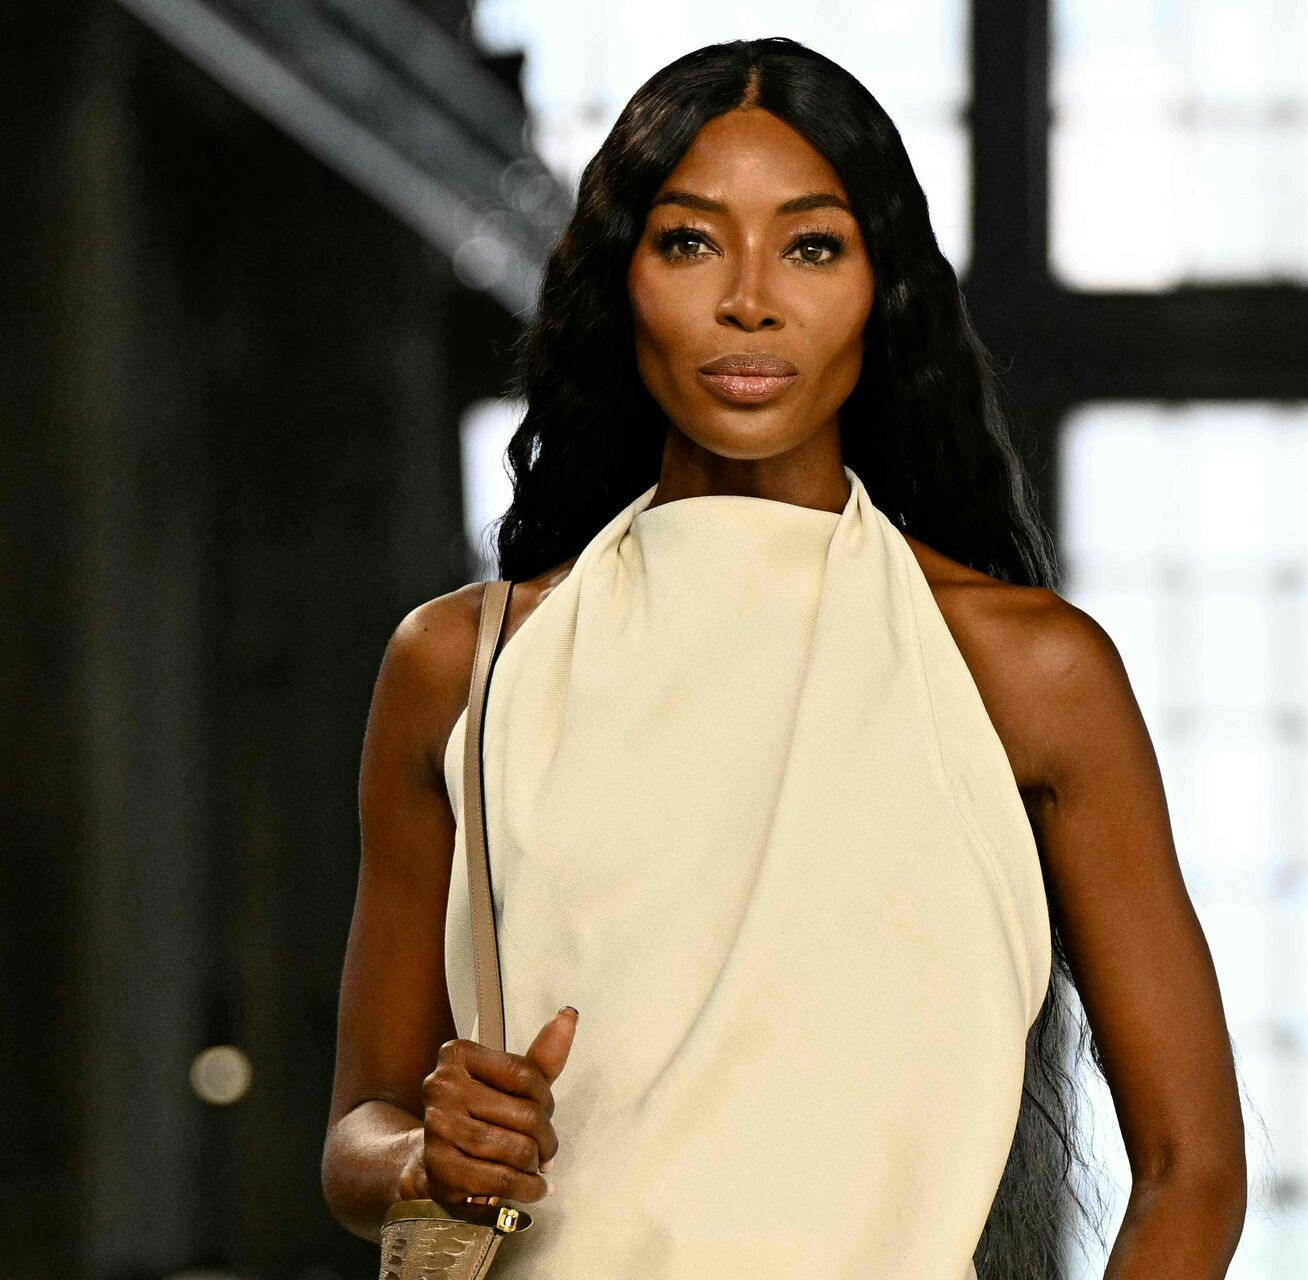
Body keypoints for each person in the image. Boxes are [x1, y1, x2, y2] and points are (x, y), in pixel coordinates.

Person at [320, 35, 1247, 1280]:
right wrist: (425, 1161)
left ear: (884, 288)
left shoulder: (1031, 672)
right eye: (691, 241)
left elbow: (1194, 1168)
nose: (749, 297)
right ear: (621, 280)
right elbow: (355, 1135)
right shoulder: (463, 665)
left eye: (811, 245)